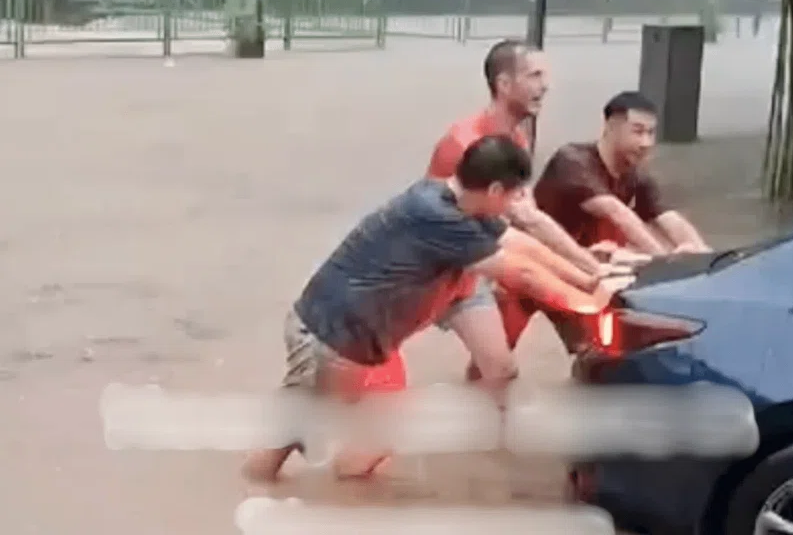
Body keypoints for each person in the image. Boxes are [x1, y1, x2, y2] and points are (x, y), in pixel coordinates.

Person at [241, 135, 627, 484]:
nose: (515, 208)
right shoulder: (438, 216)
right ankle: (256, 497)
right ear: (494, 189)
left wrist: (587, 279)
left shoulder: (453, 202)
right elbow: (521, 273)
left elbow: (522, 246)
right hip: (329, 338)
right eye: (513, 197)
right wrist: (586, 305)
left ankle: (349, 501)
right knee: (288, 439)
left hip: (361, 340)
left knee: (384, 430)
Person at [427, 39, 618, 380]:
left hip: (482, 257)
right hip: (441, 270)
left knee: (499, 367)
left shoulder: (516, 138)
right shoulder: (464, 144)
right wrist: (587, 274)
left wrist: (587, 267)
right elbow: (455, 231)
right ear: (503, 84)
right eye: (534, 75)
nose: (546, 86)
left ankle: (586, 350)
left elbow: (528, 218)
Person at [497, 90, 713, 355]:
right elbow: (616, 212)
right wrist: (666, 264)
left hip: (581, 275)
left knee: (595, 353)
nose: (646, 142)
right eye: (637, 131)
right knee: (495, 358)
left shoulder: (636, 176)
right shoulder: (573, 161)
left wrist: (705, 265)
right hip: (531, 270)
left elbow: (669, 218)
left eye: (651, 133)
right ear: (611, 127)